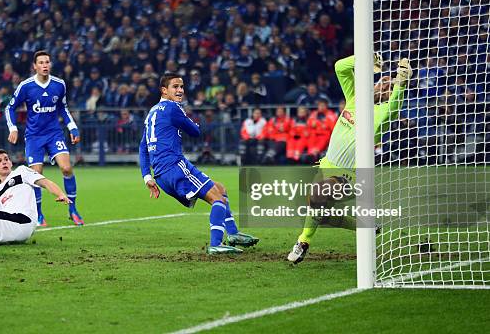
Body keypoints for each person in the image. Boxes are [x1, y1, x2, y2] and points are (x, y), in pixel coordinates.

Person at [287, 54, 412, 264]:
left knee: (317, 196)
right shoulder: (356, 98)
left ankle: (303, 242)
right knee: (319, 213)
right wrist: (363, 59)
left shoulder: (383, 113)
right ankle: (368, 226)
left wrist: (401, 82)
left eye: (388, 89)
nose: (384, 88)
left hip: (350, 175)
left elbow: (395, 104)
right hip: (327, 165)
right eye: (383, 83)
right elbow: (339, 67)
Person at [139, 73, 259, 254]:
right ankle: (216, 244)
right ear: (164, 90)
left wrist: (147, 177)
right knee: (216, 198)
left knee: (220, 189)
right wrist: (192, 121)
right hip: (175, 166)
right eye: (175, 87)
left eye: (181, 86)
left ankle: (233, 233)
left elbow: (143, 147)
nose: (180, 90)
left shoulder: (151, 113)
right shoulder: (173, 108)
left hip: (161, 174)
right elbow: (195, 131)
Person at [5, 50, 84, 227]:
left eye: (47, 62)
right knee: (37, 174)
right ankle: (39, 214)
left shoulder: (59, 84)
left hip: (54, 133)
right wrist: (13, 128)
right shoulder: (26, 86)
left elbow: (63, 108)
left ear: (50, 64)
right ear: (35, 66)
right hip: (34, 136)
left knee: (66, 168)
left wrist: (72, 127)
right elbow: (9, 108)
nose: (45, 65)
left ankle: (73, 210)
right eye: (41, 63)